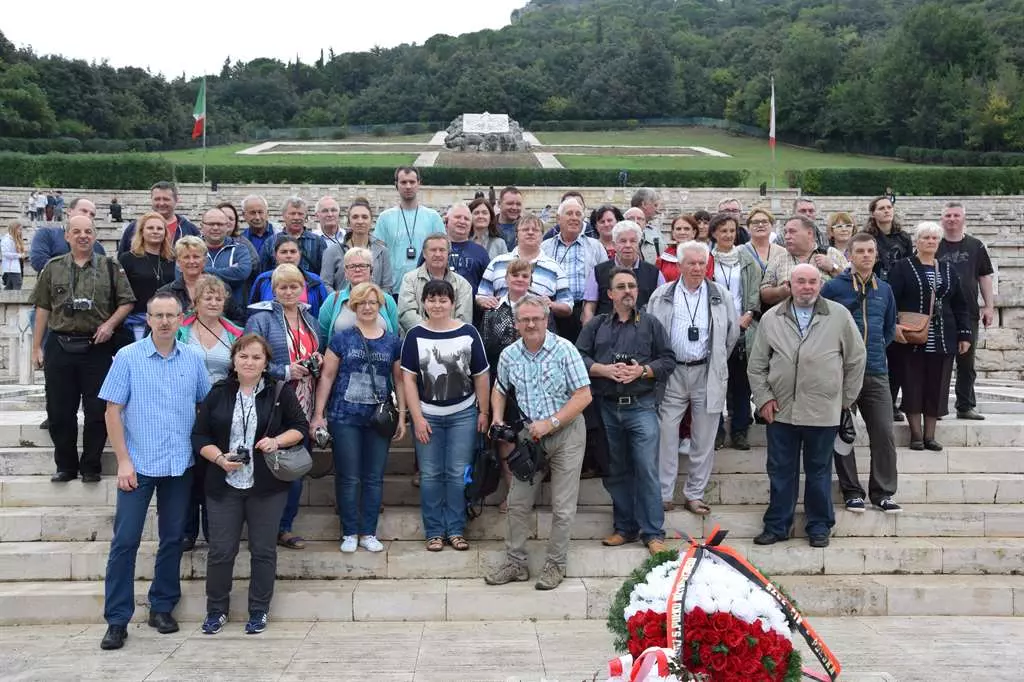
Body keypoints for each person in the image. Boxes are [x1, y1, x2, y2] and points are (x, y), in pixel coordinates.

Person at [97, 292, 211, 650]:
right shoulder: (128, 358)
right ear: (147, 319)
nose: (164, 321)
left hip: (179, 464)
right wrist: (123, 461)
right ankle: (117, 619)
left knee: (172, 539)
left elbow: (204, 406)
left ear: (182, 319)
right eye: (158, 315)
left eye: (171, 315)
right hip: (139, 464)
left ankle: (162, 607)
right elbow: (112, 412)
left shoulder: (194, 358)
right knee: (125, 540)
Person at [192, 334, 309, 636]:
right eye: (243, 356)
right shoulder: (218, 392)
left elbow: (299, 428)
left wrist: (275, 441)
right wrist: (219, 459)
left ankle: (259, 610)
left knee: (263, 550)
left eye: (256, 357)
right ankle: (216, 610)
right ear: (233, 360)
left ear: (266, 362)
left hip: (266, 485)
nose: (249, 362)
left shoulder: (280, 392)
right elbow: (200, 437)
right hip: (223, 483)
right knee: (221, 551)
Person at [748, 264, 866, 548]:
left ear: (820, 284)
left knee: (819, 471)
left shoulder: (838, 315)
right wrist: (763, 398)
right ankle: (777, 525)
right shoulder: (772, 318)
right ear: (790, 284)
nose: (807, 287)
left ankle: (819, 526)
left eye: (813, 282)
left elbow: (856, 360)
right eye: (801, 282)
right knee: (780, 470)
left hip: (823, 411)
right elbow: (757, 365)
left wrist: (844, 400)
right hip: (781, 410)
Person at [485, 295, 592, 590]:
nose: (531, 324)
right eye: (524, 319)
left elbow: (584, 396)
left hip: (566, 432)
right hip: (529, 435)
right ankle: (515, 563)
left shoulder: (564, 349)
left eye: (536, 318)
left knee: (563, 506)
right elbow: (500, 388)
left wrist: (552, 422)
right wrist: (496, 417)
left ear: (546, 320)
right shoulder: (509, 355)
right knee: (517, 502)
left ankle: (555, 565)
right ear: (516, 323)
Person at [576, 268, 675, 555]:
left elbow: (668, 360)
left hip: (641, 407)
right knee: (616, 471)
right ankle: (625, 528)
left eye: (632, 285)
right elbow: (577, 356)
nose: (628, 290)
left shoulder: (651, 324)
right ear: (610, 294)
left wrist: (642, 371)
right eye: (621, 286)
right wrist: (602, 369)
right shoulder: (596, 325)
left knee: (646, 469)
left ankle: (654, 532)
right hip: (606, 408)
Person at [31, 216, 135, 483]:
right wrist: (36, 348)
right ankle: (65, 465)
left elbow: (126, 302)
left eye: (88, 231)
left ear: (95, 235)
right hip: (60, 344)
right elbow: (42, 307)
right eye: (76, 231)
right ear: (67, 236)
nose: (82, 236)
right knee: (59, 410)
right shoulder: (53, 268)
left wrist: (110, 325)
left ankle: (91, 465)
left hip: (97, 346)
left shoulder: (111, 267)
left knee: (98, 409)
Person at [311, 282, 407, 553]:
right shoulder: (342, 338)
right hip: (345, 415)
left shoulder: (392, 341)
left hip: (378, 417)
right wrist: (319, 414)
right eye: (362, 302)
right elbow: (327, 376)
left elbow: (399, 381)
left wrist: (402, 417)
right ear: (354, 306)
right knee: (349, 476)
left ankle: (369, 531)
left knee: (374, 477)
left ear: (380, 307)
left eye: (373, 303)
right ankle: (350, 531)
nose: (367, 307)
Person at [648, 241, 739, 515]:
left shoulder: (720, 295)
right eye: (691, 263)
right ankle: (664, 494)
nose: (697, 268)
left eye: (702, 263)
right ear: (679, 265)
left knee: (704, 435)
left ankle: (695, 494)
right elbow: (651, 332)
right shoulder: (661, 295)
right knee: (665, 434)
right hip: (672, 372)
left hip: (706, 371)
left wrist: (717, 360)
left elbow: (731, 334)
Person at [400, 279, 490, 552]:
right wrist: (417, 418)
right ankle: (434, 531)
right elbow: (408, 380)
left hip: (463, 414)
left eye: (443, 300)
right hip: (428, 415)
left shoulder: (468, 332)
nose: (437, 305)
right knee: (429, 474)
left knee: (455, 473)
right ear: (424, 303)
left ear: (453, 303)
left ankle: (456, 529)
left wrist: (484, 411)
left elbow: (481, 376)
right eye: (432, 299)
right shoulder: (415, 335)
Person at [244, 264, 322, 551]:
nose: (288, 291)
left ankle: (285, 526)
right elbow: (251, 360)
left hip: (305, 400)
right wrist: (286, 370)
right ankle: (267, 525)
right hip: (274, 399)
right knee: (271, 465)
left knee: (296, 466)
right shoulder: (262, 319)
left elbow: (315, 351)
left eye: (294, 286)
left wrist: (317, 362)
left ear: (302, 288)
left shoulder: (310, 317)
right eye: (282, 287)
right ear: (274, 290)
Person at [822, 232, 901, 514]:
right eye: (860, 251)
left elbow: (889, 329)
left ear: (876, 255)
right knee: (843, 434)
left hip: (877, 372)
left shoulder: (885, 289)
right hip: (842, 373)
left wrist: (874, 349)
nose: (866, 256)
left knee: (883, 433)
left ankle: (883, 492)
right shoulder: (833, 288)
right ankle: (852, 491)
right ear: (849, 255)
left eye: (870, 251)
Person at [888, 222, 972, 451]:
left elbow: (960, 304)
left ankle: (930, 435)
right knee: (913, 384)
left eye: (934, 238)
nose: (930, 242)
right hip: (912, 336)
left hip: (944, 337)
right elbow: (891, 299)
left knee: (938, 385)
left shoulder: (947, 270)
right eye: (925, 238)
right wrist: (894, 327)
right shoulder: (902, 267)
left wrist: (965, 334)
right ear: (917, 241)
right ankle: (916, 435)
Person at [177, 275, 244, 551]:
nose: (214, 302)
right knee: (189, 472)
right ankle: (187, 531)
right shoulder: (180, 329)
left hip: (220, 409)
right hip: (184, 407)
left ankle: (214, 530)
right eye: (208, 297)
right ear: (196, 301)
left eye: (219, 298)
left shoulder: (235, 333)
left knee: (213, 472)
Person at [479, 259, 533, 511]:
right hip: (502, 382)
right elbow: (486, 345)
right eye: (515, 275)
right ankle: (512, 493)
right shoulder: (493, 309)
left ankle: (527, 493)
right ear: (507, 279)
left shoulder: (539, 308)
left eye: (525, 276)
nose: (520, 279)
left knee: (530, 439)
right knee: (505, 438)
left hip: (533, 383)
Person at [937, 201, 995, 420]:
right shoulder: (934, 244)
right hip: (940, 313)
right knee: (940, 363)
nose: (952, 219)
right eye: (948, 216)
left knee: (966, 362)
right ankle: (937, 407)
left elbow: (985, 276)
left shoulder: (976, 246)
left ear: (964, 219)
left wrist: (989, 306)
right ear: (942, 219)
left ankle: (965, 406)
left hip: (968, 312)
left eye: (956, 215)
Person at [709, 213, 760, 451]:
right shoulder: (707, 258)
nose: (728, 235)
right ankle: (717, 431)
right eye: (723, 231)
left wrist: (748, 314)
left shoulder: (746, 257)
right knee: (716, 382)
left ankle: (740, 431)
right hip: (715, 327)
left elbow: (754, 290)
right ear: (714, 234)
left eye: (731, 230)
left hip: (742, 325)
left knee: (741, 383)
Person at [477, 215, 573, 322]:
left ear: (542, 236)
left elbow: (568, 305)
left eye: (535, 230)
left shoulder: (555, 268)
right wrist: (485, 301)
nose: (530, 232)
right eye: (525, 229)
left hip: (538, 328)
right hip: (500, 328)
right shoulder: (497, 262)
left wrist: (552, 304)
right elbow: (481, 295)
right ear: (517, 235)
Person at [541, 197, 609, 341]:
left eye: (578, 214)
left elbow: (605, 280)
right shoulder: (545, 246)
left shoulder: (595, 246)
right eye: (569, 213)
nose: (574, 218)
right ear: (558, 218)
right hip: (551, 311)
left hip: (585, 311)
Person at [374, 166, 446, 291]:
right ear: (396, 185)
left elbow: (443, 252)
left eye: (412, 182)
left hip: (427, 288)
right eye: (403, 182)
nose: (408, 186)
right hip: (394, 288)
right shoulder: (384, 218)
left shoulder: (433, 217)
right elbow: (378, 256)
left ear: (419, 183)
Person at [582, 221, 665, 324]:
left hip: (643, 333)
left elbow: (662, 308)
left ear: (639, 244)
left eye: (633, 241)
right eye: (623, 241)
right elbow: (589, 308)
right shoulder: (598, 272)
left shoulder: (654, 273)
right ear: (614, 245)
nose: (628, 245)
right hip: (606, 333)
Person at [760, 215, 848, 309]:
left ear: (809, 233)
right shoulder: (778, 259)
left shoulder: (831, 253)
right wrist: (780, 292)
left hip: (826, 317)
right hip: (788, 319)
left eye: (792, 232)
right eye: (785, 232)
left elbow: (853, 286)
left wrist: (833, 268)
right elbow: (764, 293)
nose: (786, 237)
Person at [319, 247, 400, 344]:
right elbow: (322, 337)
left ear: (371, 270)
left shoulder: (386, 300)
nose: (357, 269)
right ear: (345, 272)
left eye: (362, 265)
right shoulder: (333, 300)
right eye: (352, 266)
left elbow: (394, 336)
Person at [397, 233, 473, 333]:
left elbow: (463, 319)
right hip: (417, 339)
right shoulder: (409, 279)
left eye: (442, 250)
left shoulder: (463, 284)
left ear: (448, 253)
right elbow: (406, 314)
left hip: (452, 341)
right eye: (433, 250)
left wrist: (444, 335)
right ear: (424, 253)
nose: (438, 254)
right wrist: (430, 333)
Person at [156, 237, 245, 322]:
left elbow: (238, 320)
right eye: (186, 257)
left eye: (196, 257)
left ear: (204, 261)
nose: (191, 261)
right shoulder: (166, 293)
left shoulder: (222, 289)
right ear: (178, 262)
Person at [118, 212, 176, 340]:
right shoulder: (127, 258)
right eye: (150, 228)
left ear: (165, 233)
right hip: (136, 323)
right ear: (141, 232)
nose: (155, 231)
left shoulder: (172, 259)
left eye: (160, 228)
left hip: (167, 321)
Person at [320, 198, 394, 293]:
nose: (360, 221)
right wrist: (342, 300)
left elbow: (387, 286)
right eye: (355, 217)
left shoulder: (382, 251)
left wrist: (373, 302)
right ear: (349, 221)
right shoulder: (332, 251)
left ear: (371, 221)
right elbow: (325, 285)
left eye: (364, 217)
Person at [249, 236, 329, 318]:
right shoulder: (263, 280)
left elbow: (325, 314)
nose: (288, 256)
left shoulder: (315, 281)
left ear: (300, 254)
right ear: (275, 255)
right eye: (283, 252)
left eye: (293, 252)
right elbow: (252, 312)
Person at [117, 181, 200, 256]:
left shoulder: (190, 230)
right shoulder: (134, 228)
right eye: (157, 199)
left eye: (166, 199)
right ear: (151, 200)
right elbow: (122, 260)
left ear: (176, 200)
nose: (161, 203)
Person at [29, 198, 106, 273]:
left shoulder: (97, 246)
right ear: (69, 211)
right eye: (84, 211)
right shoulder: (46, 234)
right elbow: (38, 262)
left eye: (92, 214)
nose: (88, 216)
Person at [259, 197, 327, 277]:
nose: (296, 218)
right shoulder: (271, 242)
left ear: (306, 216)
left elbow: (323, 273)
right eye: (292, 213)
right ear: (284, 215)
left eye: (300, 214)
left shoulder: (317, 242)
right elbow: (264, 272)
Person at [201, 208, 253, 308]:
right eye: (211, 224)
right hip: (196, 315)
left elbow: (242, 273)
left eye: (220, 224)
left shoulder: (240, 249)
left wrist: (201, 271)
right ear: (202, 226)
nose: (215, 228)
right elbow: (182, 275)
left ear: (227, 226)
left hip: (233, 315)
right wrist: (229, 271)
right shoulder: (191, 248)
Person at [445, 203, 492, 294]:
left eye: (466, 219)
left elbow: (488, 287)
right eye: (458, 217)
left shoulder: (480, 252)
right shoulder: (434, 247)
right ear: (447, 220)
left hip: (471, 306)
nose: (462, 221)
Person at [655, 215, 697, 283]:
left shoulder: (705, 257)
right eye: (678, 229)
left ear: (694, 233)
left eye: (686, 229)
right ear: (673, 233)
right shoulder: (663, 259)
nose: (682, 232)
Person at [1, 219, 28, 290]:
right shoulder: (6, 239)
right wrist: (19, 255)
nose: (20, 231)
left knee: (9, 288)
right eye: (19, 229)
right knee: (17, 285)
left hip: (17, 266)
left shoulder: (15, 239)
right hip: (11, 268)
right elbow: (5, 253)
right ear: (14, 229)